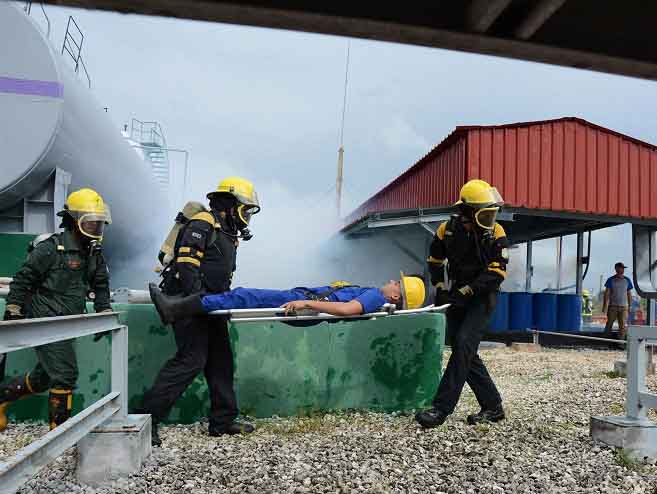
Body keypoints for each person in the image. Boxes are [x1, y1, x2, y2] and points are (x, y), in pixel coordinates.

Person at [140, 177, 261, 446]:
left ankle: (223, 420)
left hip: (211, 305)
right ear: (232, 204)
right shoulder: (203, 223)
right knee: (190, 360)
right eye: (247, 209)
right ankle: (145, 421)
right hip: (189, 303)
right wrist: (198, 303)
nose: (248, 216)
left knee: (221, 360)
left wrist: (215, 303)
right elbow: (186, 266)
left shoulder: (228, 233)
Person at [0, 188, 112, 431]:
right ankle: (58, 437)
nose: (96, 229)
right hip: (45, 320)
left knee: (45, 376)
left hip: (68, 322)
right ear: (73, 221)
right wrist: (13, 308)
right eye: (91, 223)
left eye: (99, 224)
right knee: (65, 374)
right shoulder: (50, 248)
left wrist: (103, 311)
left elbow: (101, 285)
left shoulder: (94, 253)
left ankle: (2, 397)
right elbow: (23, 279)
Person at [415, 179, 509, 429]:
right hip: (455, 295)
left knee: (464, 345)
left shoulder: (495, 232)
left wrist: (468, 291)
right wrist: (441, 290)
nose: (491, 217)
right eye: (485, 212)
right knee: (463, 349)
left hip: (482, 296)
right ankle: (492, 407)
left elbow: (497, 273)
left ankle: (440, 408)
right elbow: (435, 262)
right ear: (467, 211)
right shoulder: (447, 230)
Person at [148, 273, 426, 324]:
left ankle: (174, 309)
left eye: (396, 282)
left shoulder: (377, 297)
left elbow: (347, 309)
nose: (391, 280)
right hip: (302, 300)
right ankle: (179, 306)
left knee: (245, 296)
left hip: (303, 305)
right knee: (244, 296)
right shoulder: (378, 296)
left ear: (396, 294)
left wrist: (306, 303)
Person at [603, 262, 633, 340]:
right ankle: (606, 341)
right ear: (616, 268)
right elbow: (607, 294)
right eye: (621, 267)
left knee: (622, 326)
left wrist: (630, 306)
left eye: (623, 268)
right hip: (613, 306)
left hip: (624, 307)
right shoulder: (611, 280)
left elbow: (629, 294)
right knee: (609, 324)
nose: (622, 269)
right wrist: (605, 306)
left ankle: (621, 343)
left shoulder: (627, 280)